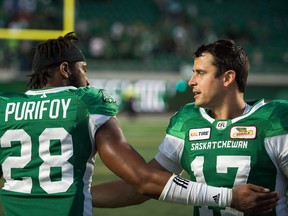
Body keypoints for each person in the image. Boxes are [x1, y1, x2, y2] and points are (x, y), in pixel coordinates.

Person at [0, 34, 278, 216]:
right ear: (65, 69)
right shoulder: (85, 102)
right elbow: (143, 181)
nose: (87, 80)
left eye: (199, 73)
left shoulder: (4, 107)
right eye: (84, 70)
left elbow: (142, 186)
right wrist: (229, 197)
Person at [92, 39, 288, 215]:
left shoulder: (274, 120)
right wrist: (78, 195)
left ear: (228, 78)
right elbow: (142, 186)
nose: (191, 81)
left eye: (200, 73)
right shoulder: (187, 121)